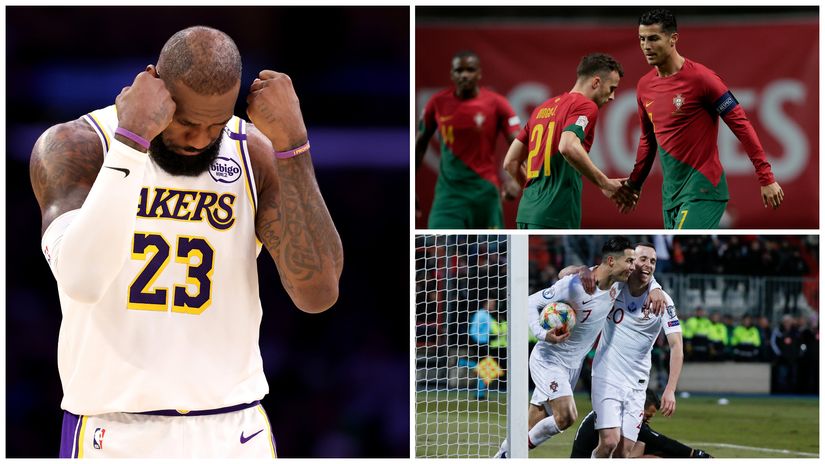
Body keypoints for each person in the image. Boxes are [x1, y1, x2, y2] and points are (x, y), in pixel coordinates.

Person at [29, 26, 343, 458]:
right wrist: (132, 141)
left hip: (235, 429)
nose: (199, 139)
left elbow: (318, 294)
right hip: (115, 431)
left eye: (215, 125)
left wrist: (293, 146)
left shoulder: (251, 153)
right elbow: (82, 280)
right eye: (186, 122)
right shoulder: (78, 146)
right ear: (154, 85)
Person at [493, 237, 667, 457]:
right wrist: (542, 334)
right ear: (611, 261)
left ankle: (501, 456)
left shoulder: (618, 283)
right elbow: (530, 302)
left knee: (530, 425)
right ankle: (510, 455)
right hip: (549, 359)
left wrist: (656, 288)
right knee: (566, 416)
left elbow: (644, 276)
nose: (633, 267)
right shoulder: (575, 285)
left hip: (572, 366)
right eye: (629, 261)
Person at [619, 8, 784, 228]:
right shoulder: (644, 86)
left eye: (654, 38)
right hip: (670, 197)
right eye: (642, 39)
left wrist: (766, 177)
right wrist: (634, 184)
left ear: (673, 39)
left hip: (703, 190)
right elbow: (648, 141)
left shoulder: (702, 79)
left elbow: (741, 125)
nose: (646, 46)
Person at [503, 53, 635, 229]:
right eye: (611, 88)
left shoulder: (541, 109)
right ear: (596, 82)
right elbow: (567, 146)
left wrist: (532, 194)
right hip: (556, 216)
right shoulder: (586, 106)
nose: (612, 97)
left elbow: (510, 162)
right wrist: (605, 183)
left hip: (527, 213)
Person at [589, 242, 683, 458]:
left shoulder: (663, 301)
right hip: (607, 375)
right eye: (643, 259)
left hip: (637, 384)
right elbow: (586, 273)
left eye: (653, 261)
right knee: (609, 442)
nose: (648, 265)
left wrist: (670, 389)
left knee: (624, 452)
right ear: (631, 262)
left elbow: (676, 345)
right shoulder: (614, 286)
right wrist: (578, 270)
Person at [415, 50, 521, 228]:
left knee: (492, 247)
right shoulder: (437, 103)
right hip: (449, 197)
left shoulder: (497, 103)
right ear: (452, 74)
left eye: (470, 70)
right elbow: (419, 145)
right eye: (459, 70)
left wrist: (516, 180)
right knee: (438, 244)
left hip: (485, 195)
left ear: (479, 73)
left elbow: (520, 144)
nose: (464, 75)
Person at [570, 389, 712, 458]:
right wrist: (695, 454)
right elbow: (661, 442)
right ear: (639, 407)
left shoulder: (616, 409)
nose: (647, 420)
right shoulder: (624, 417)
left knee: (642, 444)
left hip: (591, 455)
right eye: (647, 415)